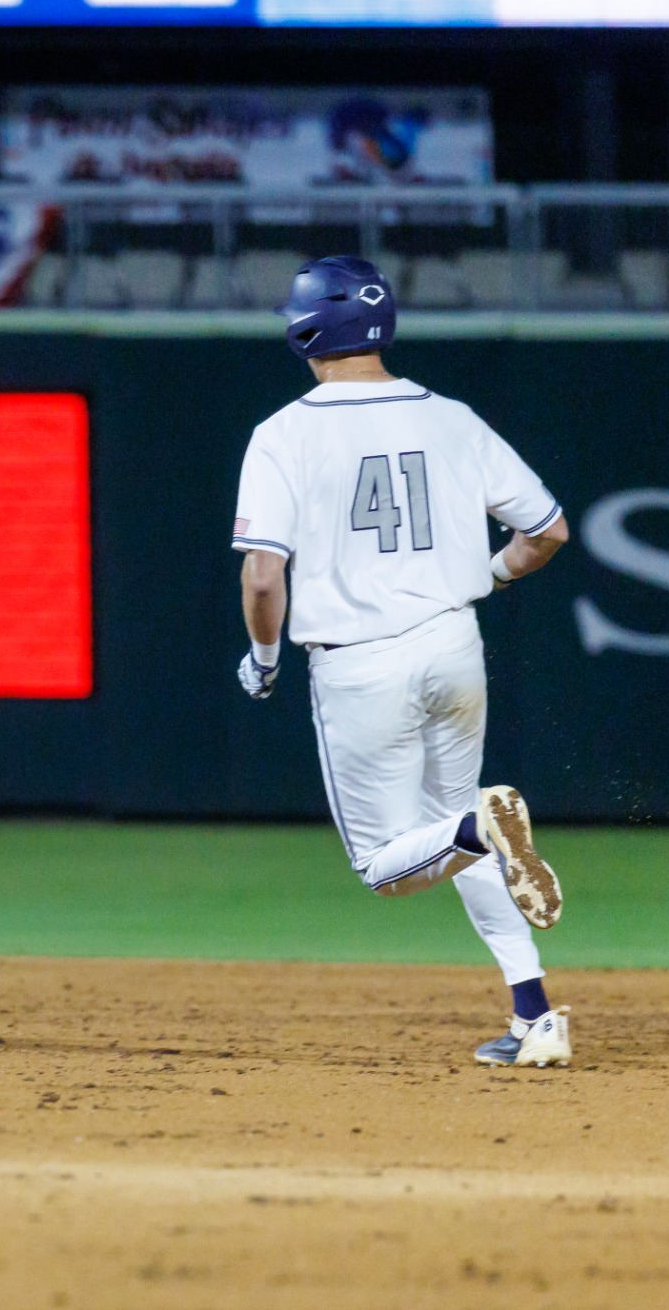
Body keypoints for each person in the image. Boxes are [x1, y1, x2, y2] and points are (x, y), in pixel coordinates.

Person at [231, 255, 573, 1067]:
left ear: (309, 329)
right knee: (460, 842)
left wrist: (264, 658)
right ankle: (535, 1016)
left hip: (362, 662)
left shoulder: (285, 432)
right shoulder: (452, 416)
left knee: (390, 866)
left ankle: (477, 825)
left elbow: (261, 573)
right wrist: (478, 577)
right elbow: (549, 530)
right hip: (455, 643)